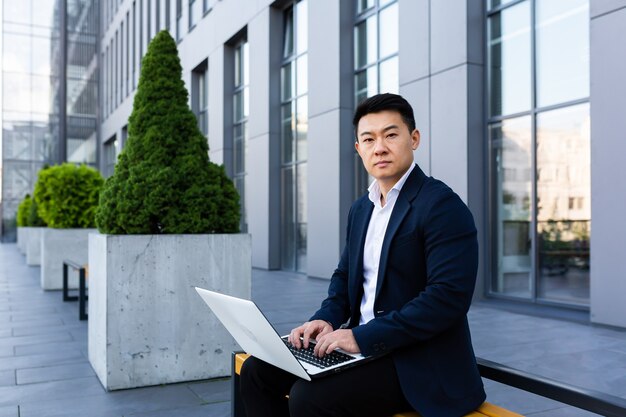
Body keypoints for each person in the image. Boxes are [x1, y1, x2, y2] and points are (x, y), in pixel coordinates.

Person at [240, 93, 486, 417]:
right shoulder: (361, 209)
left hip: (416, 361)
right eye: (368, 139)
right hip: (363, 348)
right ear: (358, 149)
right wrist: (324, 318)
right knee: (257, 372)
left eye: (391, 135)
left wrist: (361, 337)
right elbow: (344, 278)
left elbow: (447, 299)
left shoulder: (442, 206)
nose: (379, 147)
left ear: (414, 139)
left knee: (308, 398)